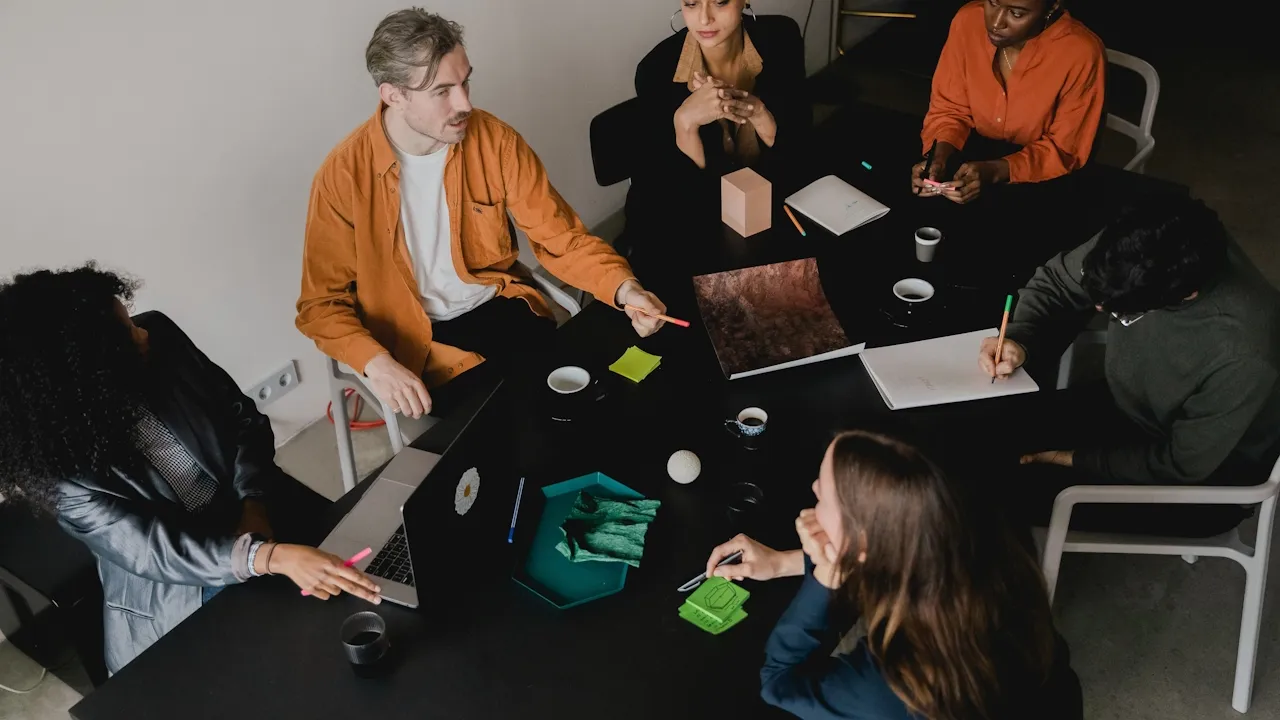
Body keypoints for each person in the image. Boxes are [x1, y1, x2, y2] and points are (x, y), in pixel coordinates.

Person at [0, 265, 383, 675]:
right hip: (182, 584)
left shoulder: (160, 337)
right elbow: (156, 552)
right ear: (90, 376)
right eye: (127, 335)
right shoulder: (66, 475)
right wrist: (265, 556)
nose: (143, 333)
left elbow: (242, 421)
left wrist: (253, 506)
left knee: (363, 598)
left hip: (253, 511)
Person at [297, 9, 668, 420]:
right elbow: (321, 304)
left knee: (583, 404)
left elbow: (563, 239)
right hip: (416, 340)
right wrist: (375, 362)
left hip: (499, 304)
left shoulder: (496, 142)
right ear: (394, 96)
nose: (465, 103)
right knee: (497, 442)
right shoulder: (343, 176)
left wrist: (625, 289)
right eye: (443, 91)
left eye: (465, 81)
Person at [704, 431, 1082, 719]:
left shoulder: (892, 685)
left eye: (824, 495)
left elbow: (780, 683)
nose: (814, 490)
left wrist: (826, 575)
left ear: (865, 541)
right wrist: (787, 562)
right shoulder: (995, 561)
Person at [983, 195, 1280, 536]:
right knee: (975, 435)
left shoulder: (1246, 351)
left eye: (1116, 311)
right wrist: (1019, 338)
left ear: (1186, 297)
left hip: (1203, 482)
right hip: (1130, 403)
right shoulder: (1142, 239)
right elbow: (1058, 282)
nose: (1097, 309)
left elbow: (1180, 465)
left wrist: (1066, 458)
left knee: (988, 496)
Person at [629, 1, 808, 229]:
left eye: (720, 2)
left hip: (770, 215)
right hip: (689, 228)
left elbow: (800, 156)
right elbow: (671, 203)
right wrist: (685, 126)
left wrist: (762, 116)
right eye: (691, 4)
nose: (704, 19)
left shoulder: (781, 37)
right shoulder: (655, 71)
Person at [912, 0, 1105, 204]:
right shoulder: (968, 21)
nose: (995, 23)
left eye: (1016, 13)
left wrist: (995, 171)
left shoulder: (1081, 53)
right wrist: (939, 158)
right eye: (993, 3)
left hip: (1045, 185)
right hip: (969, 162)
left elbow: (1065, 148)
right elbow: (949, 108)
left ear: (1053, 6)